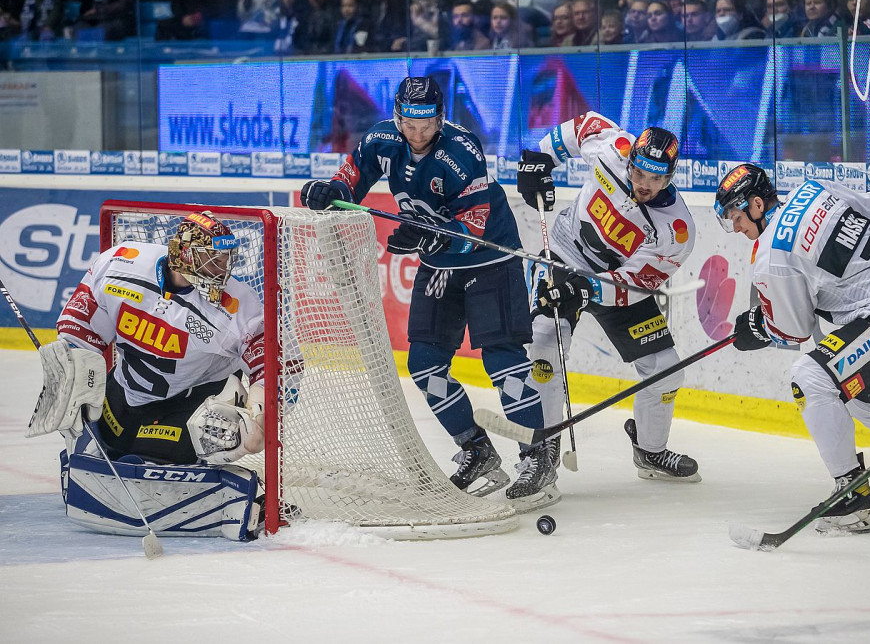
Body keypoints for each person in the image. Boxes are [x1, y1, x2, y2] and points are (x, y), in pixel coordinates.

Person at [300, 77, 553, 511]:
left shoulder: (462, 151)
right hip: (439, 268)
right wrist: (329, 192)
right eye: (410, 124)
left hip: (489, 260)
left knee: (503, 359)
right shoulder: (381, 139)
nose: (418, 134)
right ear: (398, 117)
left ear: (440, 118)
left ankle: (537, 455)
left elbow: (473, 226)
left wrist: (430, 235)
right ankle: (476, 449)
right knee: (423, 364)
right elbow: (351, 179)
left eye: (427, 125)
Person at [714, 164, 870, 536]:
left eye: (736, 217)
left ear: (756, 205)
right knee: (868, 402)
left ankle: (851, 494)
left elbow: (794, 330)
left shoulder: (771, 256)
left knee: (809, 377)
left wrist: (759, 327)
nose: (736, 228)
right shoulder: (814, 189)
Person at [28, 211, 268, 540]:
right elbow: (81, 328)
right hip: (123, 400)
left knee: (234, 427)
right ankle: (102, 454)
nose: (221, 269)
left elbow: (279, 364)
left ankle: (206, 474)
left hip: (188, 412)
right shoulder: (121, 264)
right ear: (183, 256)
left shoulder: (238, 305)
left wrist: (261, 413)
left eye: (225, 259)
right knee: (74, 394)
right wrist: (69, 375)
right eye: (211, 259)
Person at [516, 112, 701, 483]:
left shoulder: (676, 230)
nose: (644, 185)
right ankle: (541, 451)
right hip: (565, 253)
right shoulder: (612, 147)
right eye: (639, 173)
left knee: (665, 369)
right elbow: (580, 126)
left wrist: (586, 289)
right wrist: (541, 158)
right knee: (545, 340)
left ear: (669, 177)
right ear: (629, 160)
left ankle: (649, 450)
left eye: (656, 179)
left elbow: (634, 284)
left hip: (617, 284)